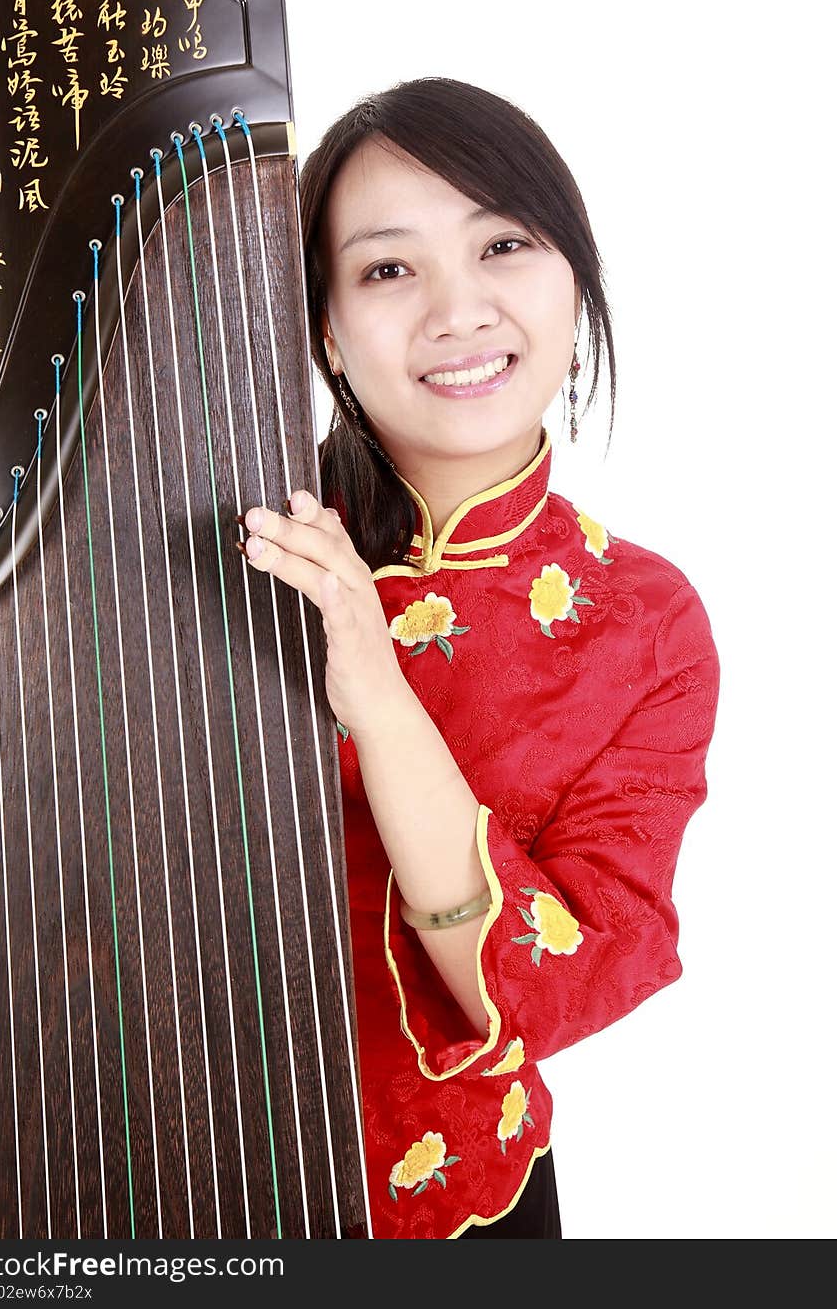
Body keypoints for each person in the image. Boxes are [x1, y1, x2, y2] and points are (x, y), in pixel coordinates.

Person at [236, 76, 720, 1239]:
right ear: (326, 333)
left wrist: (375, 690)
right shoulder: (218, 548)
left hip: (461, 1201)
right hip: (152, 1178)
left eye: (502, 243)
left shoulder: (642, 620)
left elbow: (547, 985)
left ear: (573, 278)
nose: (458, 311)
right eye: (388, 269)